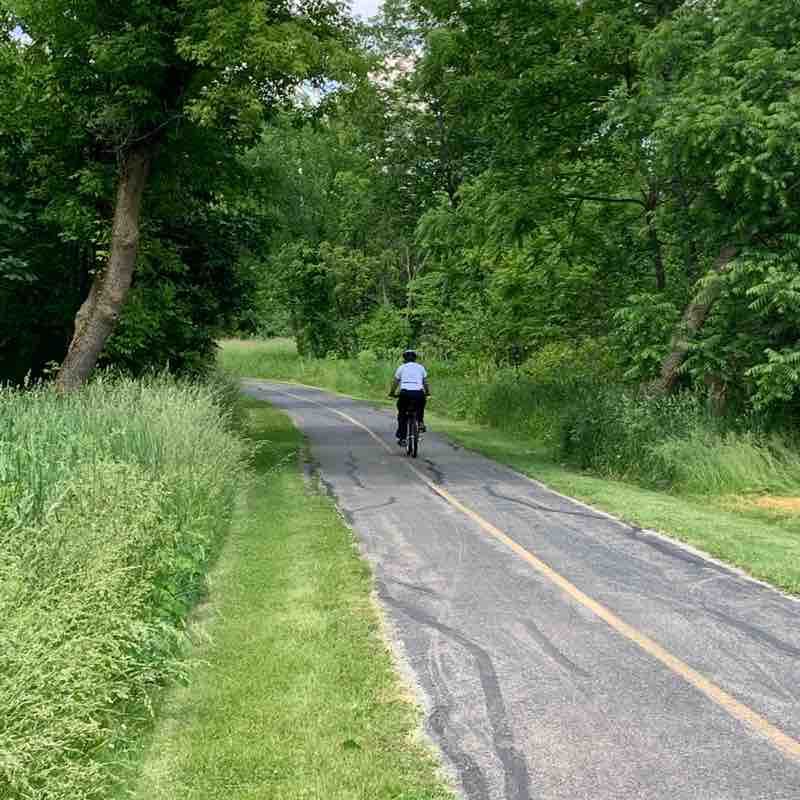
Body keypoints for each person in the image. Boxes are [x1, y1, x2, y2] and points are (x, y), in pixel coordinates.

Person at [389, 349, 430, 445]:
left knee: (402, 414)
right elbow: (425, 382)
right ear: (415, 358)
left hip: (405, 394)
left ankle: (403, 438)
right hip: (418, 394)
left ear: (404, 358)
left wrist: (391, 393)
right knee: (420, 407)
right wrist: (427, 393)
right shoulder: (421, 367)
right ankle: (420, 423)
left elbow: (395, 382)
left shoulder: (401, 368)